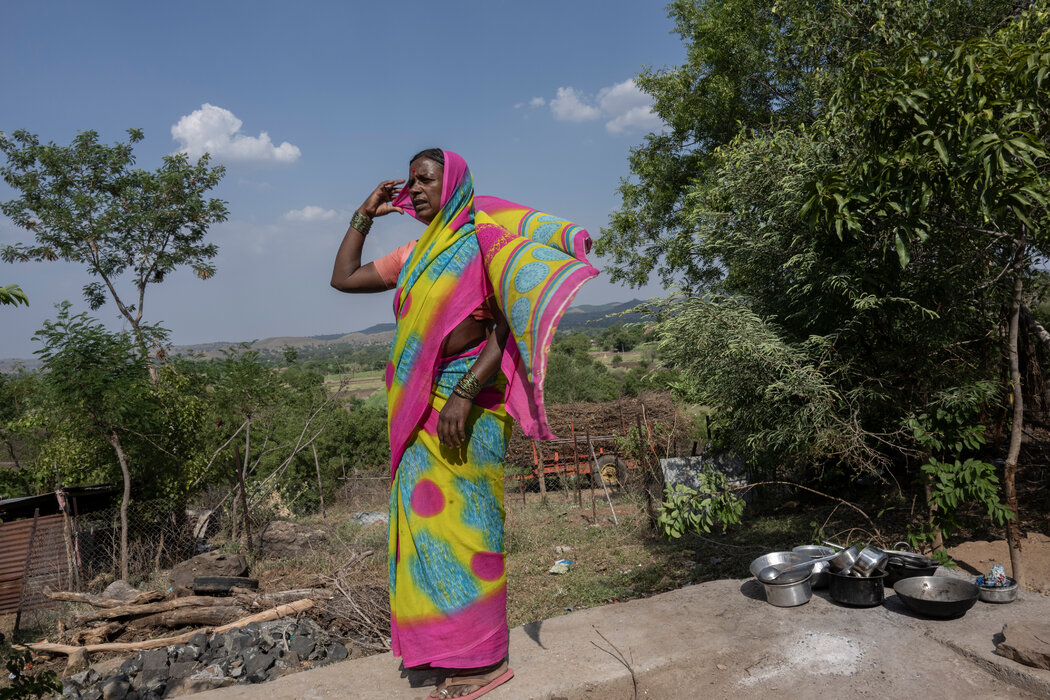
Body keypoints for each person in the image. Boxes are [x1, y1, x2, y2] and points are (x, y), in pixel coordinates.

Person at [330, 149, 597, 699]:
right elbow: (344, 278)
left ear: (451, 184)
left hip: (467, 410)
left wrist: (463, 393)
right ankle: (446, 650)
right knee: (429, 531)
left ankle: (485, 662)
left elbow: (504, 322)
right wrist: (364, 212)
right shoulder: (415, 252)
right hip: (419, 412)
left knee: (469, 528)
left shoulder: (482, 243)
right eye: (410, 182)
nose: (415, 189)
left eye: (425, 179)